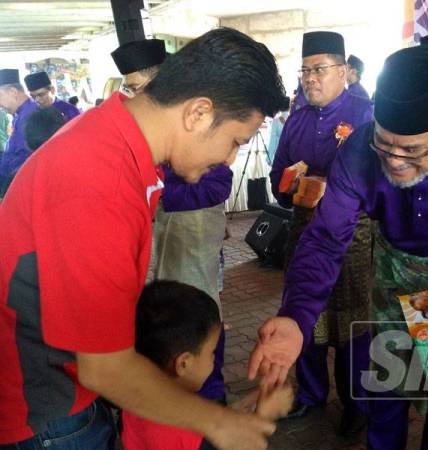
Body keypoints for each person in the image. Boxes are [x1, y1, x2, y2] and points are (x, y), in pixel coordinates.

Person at [0, 27, 288, 450]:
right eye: (235, 142)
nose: (227, 158)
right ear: (199, 113)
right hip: (47, 412)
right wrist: (223, 424)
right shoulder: (100, 178)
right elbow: (105, 368)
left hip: (59, 389)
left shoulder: (111, 138)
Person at [251, 35, 428, 449]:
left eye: (412, 150)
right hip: (394, 279)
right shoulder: (357, 149)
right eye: (384, 145)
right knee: (386, 392)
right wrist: (297, 316)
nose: (394, 162)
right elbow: (326, 237)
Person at [111, 37, 234, 403]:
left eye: (135, 88)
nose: (130, 99)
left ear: (158, 83)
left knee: (200, 334)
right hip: (157, 253)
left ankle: (210, 413)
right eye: (127, 89)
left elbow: (218, 183)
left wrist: (156, 191)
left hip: (192, 245)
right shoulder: (133, 127)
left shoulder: (200, 118)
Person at [269, 31, 374, 435]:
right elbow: (279, 174)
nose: (310, 78)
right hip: (302, 227)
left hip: (352, 233)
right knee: (302, 316)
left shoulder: (366, 114)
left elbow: (379, 180)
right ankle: (311, 395)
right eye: (305, 70)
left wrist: (338, 188)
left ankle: (356, 404)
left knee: (352, 324)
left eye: (319, 69)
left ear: (344, 71)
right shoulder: (296, 118)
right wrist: (293, 181)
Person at [122, 280, 293, 450]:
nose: (214, 359)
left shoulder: (135, 395)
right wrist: (264, 415)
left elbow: (209, 418)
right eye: (212, 352)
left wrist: (250, 402)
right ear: (183, 363)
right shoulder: (185, 434)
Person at [0, 69, 38, 198]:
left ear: (13, 92)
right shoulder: (20, 114)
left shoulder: (31, 115)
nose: (0, 105)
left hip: (20, 187)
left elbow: (25, 158)